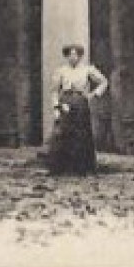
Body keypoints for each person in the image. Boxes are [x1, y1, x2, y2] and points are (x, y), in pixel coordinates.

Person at [45, 42, 108, 175]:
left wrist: (93, 95)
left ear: (80, 56)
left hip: (80, 102)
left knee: (81, 134)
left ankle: (82, 168)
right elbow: (54, 91)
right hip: (65, 102)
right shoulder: (61, 71)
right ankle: (61, 168)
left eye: (76, 54)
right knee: (63, 134)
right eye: (70, 54)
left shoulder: (87, 69)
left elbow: (103, 81)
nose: (73, 57)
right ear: (66, 56)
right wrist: (56, 107)